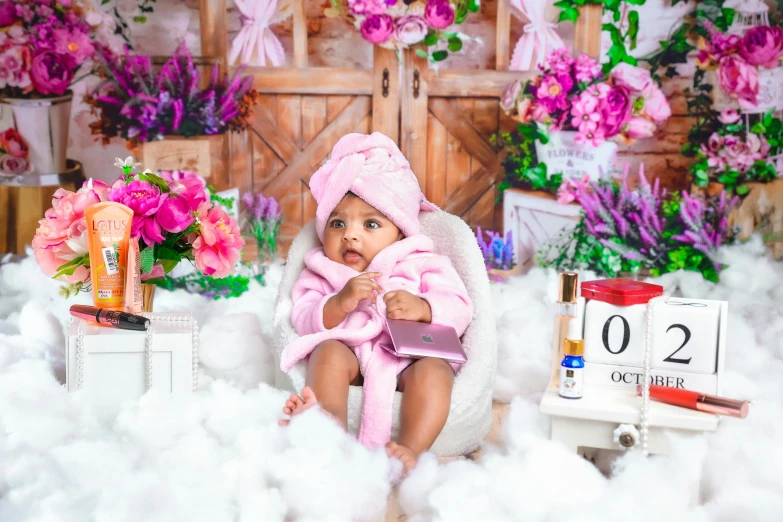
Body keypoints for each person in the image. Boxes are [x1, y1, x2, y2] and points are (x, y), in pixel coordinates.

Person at [278, 132, 474, 471]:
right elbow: (303, 315)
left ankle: (410, 449)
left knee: (435, 372)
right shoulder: (322, 268)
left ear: (399, 231)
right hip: (351, 351)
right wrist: (340, 302)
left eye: (370, 223)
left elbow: (459, 306)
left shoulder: (422, 261)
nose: (350, 234)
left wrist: (424, 307)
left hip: (411, 355)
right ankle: (328, 434)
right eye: (338, 223)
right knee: (327, 354)